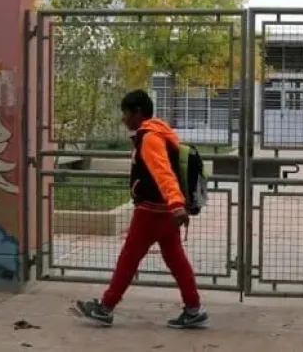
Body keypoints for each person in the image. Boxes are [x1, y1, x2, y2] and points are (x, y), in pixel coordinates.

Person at [71, 90, 207, 329]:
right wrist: (174, 206)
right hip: (164, 212)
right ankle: (193, 308)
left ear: (137, 112)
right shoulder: (159, 133)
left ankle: (106, 307)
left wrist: (176, 203)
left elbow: (163, 172)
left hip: (152, 212)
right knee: (176, 260)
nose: (123, 118)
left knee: (129, 259)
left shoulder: (150, 138)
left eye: (125, 113)